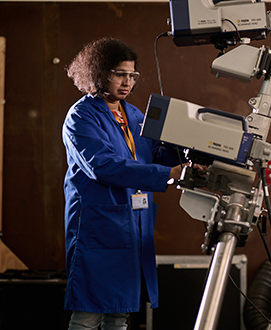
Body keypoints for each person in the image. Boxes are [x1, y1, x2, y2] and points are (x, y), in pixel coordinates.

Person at [62, 37, 191, 329]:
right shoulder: (81, 116)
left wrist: (187, 147)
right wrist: (167, 174)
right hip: (99, 225)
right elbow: (102, 165)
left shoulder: (132, 114)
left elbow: (154, 153)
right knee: (88, 312)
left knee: (121, 311)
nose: (127, 82)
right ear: (98, 73)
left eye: (132, 75)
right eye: (120, 74)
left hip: (132, 224)